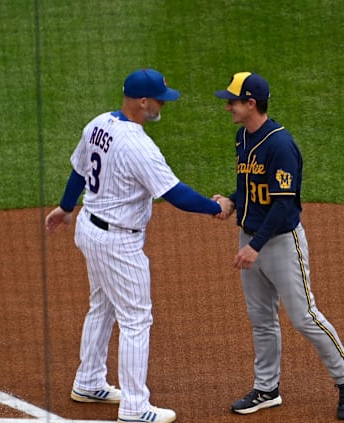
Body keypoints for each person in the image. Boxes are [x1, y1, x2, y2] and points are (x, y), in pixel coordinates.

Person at [45, 68, 232, 423]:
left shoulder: (98, 123)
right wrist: (216, 208)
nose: (163, 104)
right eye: (160, 99)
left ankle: (88, 382)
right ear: (143, 101)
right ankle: (134, 407)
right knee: (136, 320)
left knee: (102, 306)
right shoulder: (139, 146)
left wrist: (67, 207)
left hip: (89, 227)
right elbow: (175, 194)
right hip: (118, 243)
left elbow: (79, 171)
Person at [212, 72, 344, 420]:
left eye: (233, 101)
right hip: (250, 238)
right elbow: (252, 189)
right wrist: (232, 201)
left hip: (279, 242)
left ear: (251, 103)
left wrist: (256, 247)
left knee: (304, 316)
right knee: (261, 320)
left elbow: (284, 206)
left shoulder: (280, 145)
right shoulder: (242, 138)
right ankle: (266, 388)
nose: (228, 107)